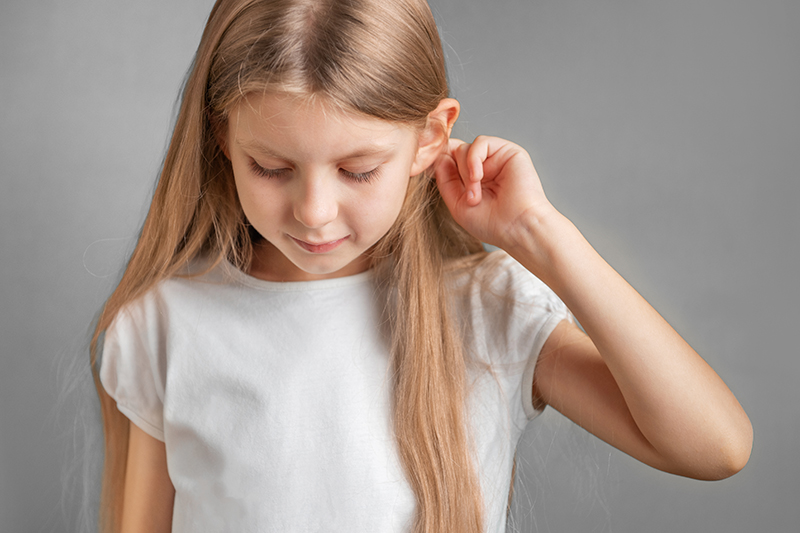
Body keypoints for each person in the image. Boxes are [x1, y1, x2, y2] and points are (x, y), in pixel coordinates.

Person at [90, 0, 753, 532]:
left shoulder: (488, 308)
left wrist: (539, 233)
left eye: (358, 170)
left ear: (430, 139)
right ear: (223, 136)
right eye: (270, 167)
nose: (314, 211)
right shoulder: (166, 325)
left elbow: (716, 446)